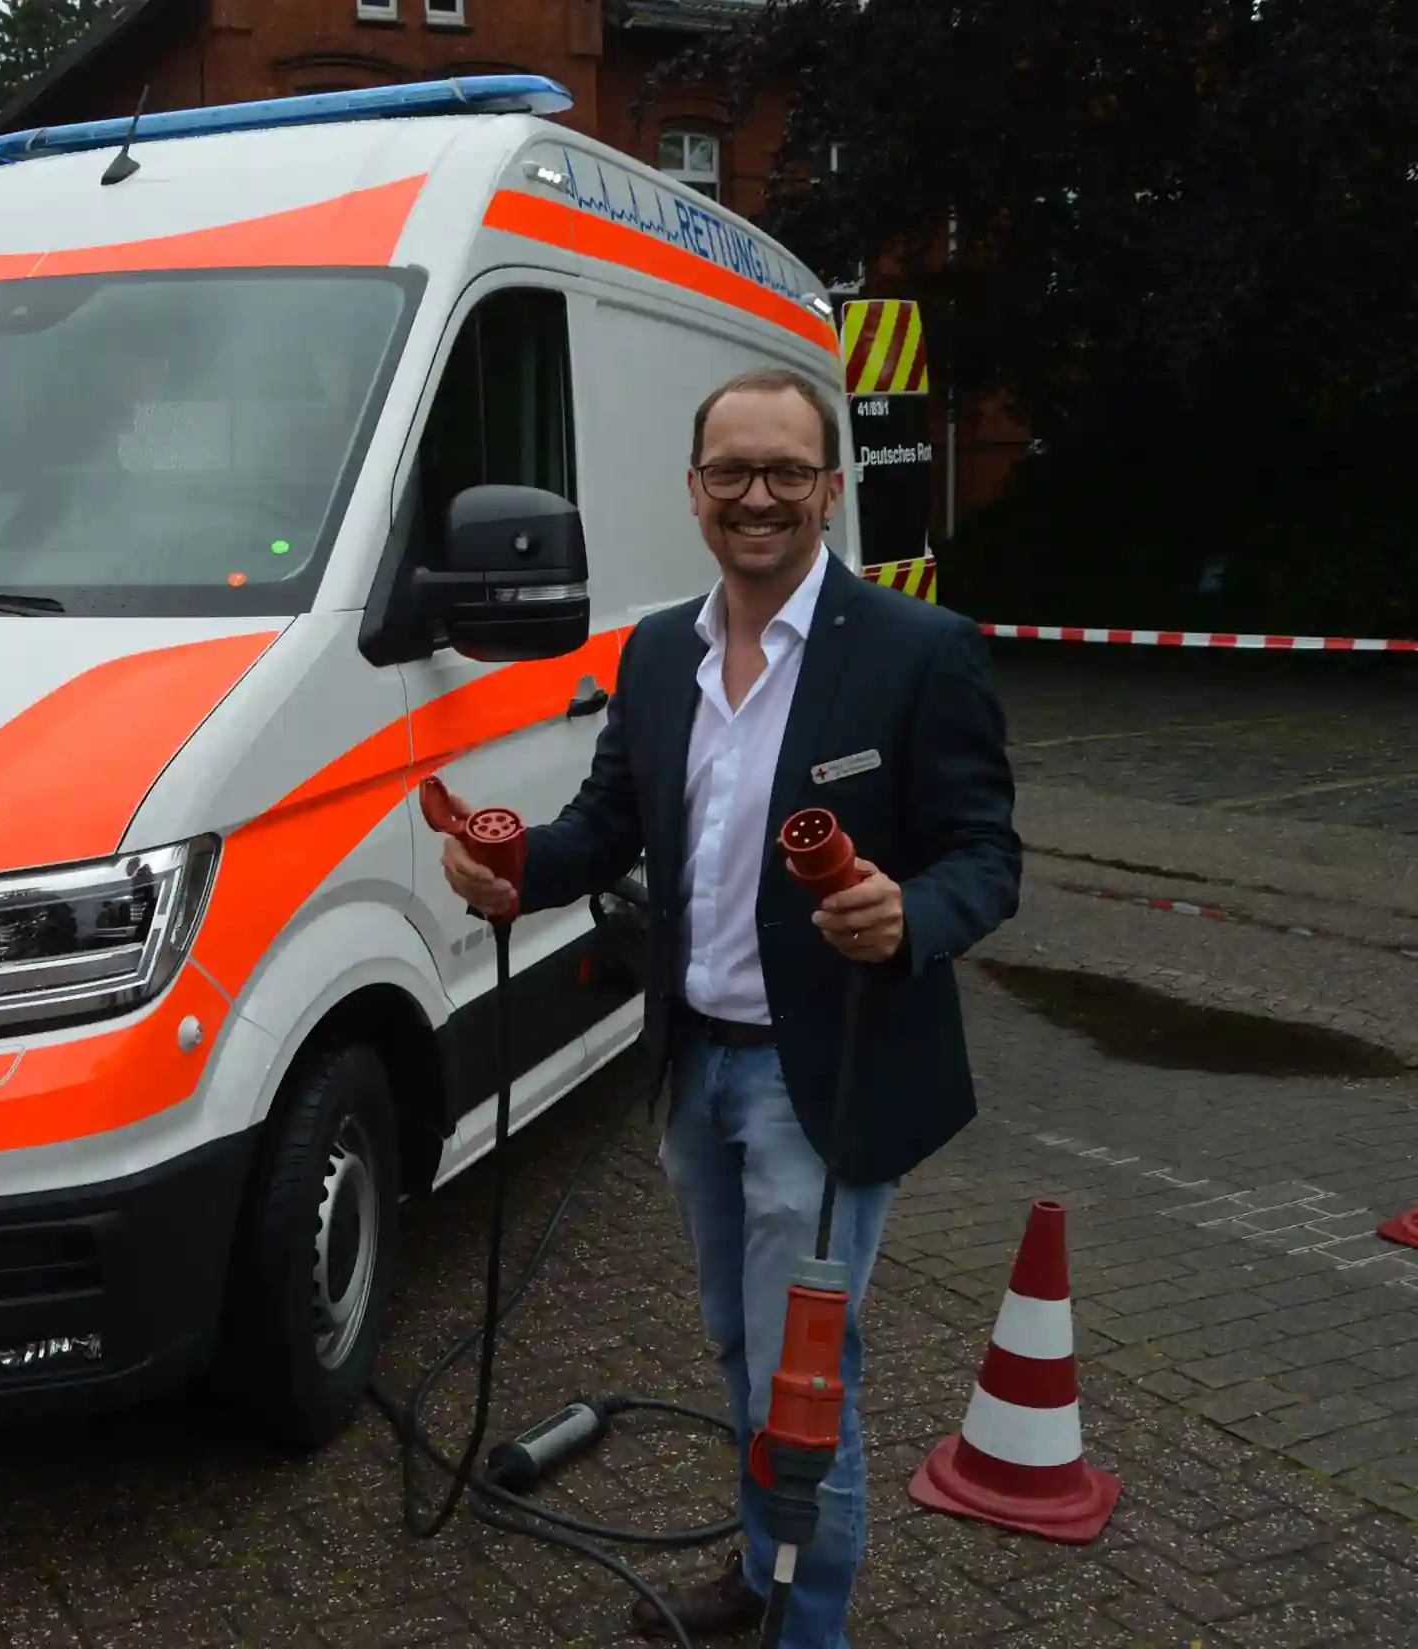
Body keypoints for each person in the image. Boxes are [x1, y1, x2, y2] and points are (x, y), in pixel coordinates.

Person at [437, 368, 1019, 1647]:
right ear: (693, 489)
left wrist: (908, 914)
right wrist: (513, 864)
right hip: (694, 1062)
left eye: (786, 471)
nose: (758, 497)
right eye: (731, 472)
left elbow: (984, 855)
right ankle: (763, 1574)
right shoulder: (657, 652)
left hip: (824, 1079)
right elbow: (608, 824)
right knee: (737, 1349)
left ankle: (807, 1629)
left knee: (800, 1385)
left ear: (829, 486)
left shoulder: (917, 650)